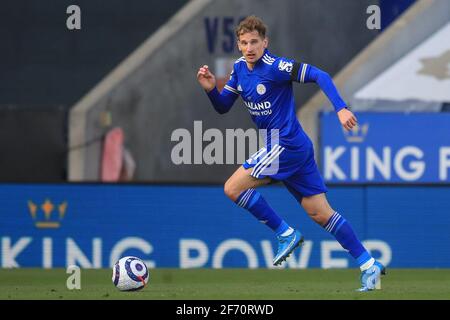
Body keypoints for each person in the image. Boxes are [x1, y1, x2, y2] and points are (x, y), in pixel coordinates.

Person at [196, 15, 385, 292]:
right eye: (245, 42)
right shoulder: (239, 69)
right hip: (293, 147)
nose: (250, 48)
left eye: (255, 42)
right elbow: (223, 106)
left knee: (232, 188)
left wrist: (341, 107)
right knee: (320, 214)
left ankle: (285, 233)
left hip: (285, 144)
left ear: (265, 42)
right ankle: (369, 265)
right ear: (238, 44)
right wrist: (212, 90)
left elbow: (320, 75)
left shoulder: (276, 67)